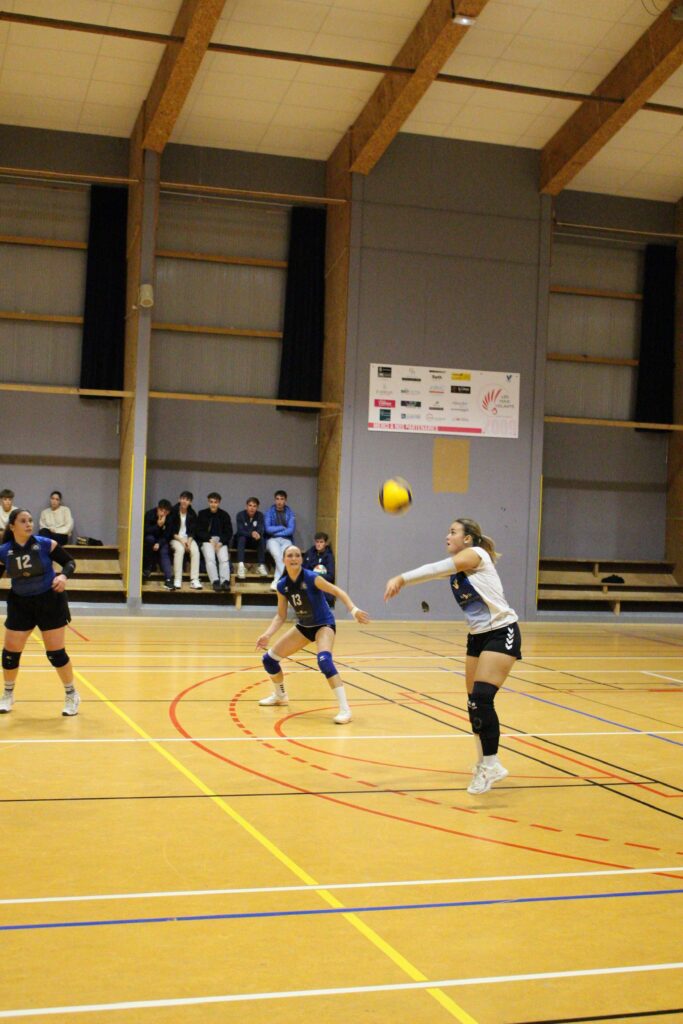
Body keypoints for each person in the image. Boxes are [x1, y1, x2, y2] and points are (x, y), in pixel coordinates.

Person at [384, 517, 521, 795]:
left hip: (501, 631)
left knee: (482, 698)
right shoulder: (459, 569)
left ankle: (492, 765)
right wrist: (405, 583)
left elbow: (436, 568)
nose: (447, 536)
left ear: (467, 538)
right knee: (473, 703)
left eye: (453, 532)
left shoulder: (475, 554)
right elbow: (433, 573)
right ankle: (483, 762)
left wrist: (401, 578)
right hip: (477, 636)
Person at [256, 544, 369, 724]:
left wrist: (353, 610)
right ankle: (280, 696)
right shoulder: (282, 585)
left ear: (301, 559)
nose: (294, 558)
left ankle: (345, 710)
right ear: (283, 560)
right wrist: (267, 634)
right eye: (290, 556)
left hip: (323, 624)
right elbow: (281, 615)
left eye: (297, 555)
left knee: (324, 661)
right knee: (269, 660)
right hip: (304, 626)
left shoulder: (311, 578)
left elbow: (337, 591)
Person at [0, 508, 80, 716]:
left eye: (30, 520)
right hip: (20, 603)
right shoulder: (4, 551)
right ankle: (8, 694)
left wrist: (63, 576)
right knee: (9, 654)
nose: (28, 524)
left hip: (49, 601)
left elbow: (70, 562)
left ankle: (71, 694)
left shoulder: (45, 543)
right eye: (23, 521)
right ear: (12, 526)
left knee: (55, 654)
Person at [197, 492, 233, 592]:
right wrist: (209, 539)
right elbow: (198, 531)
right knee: (210, 559)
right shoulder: (202, 514)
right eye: (211, 502)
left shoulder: (224, 515)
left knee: (224, 559)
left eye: (215, 502)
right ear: (208, 502)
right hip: (207, 540)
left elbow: (229, 532)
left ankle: (225, 582)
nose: (213, 504)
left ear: (219, 503)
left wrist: (221, 542)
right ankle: (215, 581)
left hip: (220, 540)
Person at [169, 491, 201, 591]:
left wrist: (189, 542)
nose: (184, 501)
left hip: (188, 538)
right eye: (183, 499)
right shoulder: (173, 511)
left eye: (187, 500)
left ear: (190, 502)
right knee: (180, 549)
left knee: (195, 550)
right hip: (175, 538)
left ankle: (194, 579)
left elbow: (193, 531)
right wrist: (182, 541)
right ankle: (177, 579)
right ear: (179, 499)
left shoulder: (192, 513)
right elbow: (170, 531)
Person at [264, 489, 295, 591]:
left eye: (282, 499)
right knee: (278, 556)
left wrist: (276, 532)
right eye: (277, 499)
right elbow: (268, 529)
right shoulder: (269, 512)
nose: (279, 501)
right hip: (272, 540)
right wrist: (281, 527)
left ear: (285, 500)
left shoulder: (290, 513)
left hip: (286, 540)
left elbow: (290, 530)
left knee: (285, 557)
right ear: (275, 500)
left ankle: (276, 581)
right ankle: (284, 581)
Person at [143, 499, 174, 589]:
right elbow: (145, 531)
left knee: (164, 551)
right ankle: (147, 568)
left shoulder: (170, 518)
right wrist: (158, 525)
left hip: (162, 540)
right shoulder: (150, 514)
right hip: (150, 538)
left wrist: (159, 543)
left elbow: (167, 535)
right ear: (158, 509)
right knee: (149, 539)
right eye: (161, 510)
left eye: (166, 512)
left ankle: (168, 579)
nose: (163, 513)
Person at [234, 497, 268, 580]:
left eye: (254, 506)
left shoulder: (260, 515)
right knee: (242, 537)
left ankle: (261, 565)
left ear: (257, 507)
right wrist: (251, 533)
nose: (252, 508)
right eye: (250, 505)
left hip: (253, 541)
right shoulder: (240, 515)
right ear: (246, 506)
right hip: (241, 542)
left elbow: (260, 529)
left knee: (261, 538)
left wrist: (258, 534)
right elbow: (240, 531)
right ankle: (241, 566)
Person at [303, 532, 336, 606]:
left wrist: (316, 576)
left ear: (326, 543)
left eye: (321, 542)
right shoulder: (310, 553)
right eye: (317, 542)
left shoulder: (329, 557)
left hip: (322, 584)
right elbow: (304, 568)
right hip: (309, 582)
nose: (318, 544)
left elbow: (331, 576)